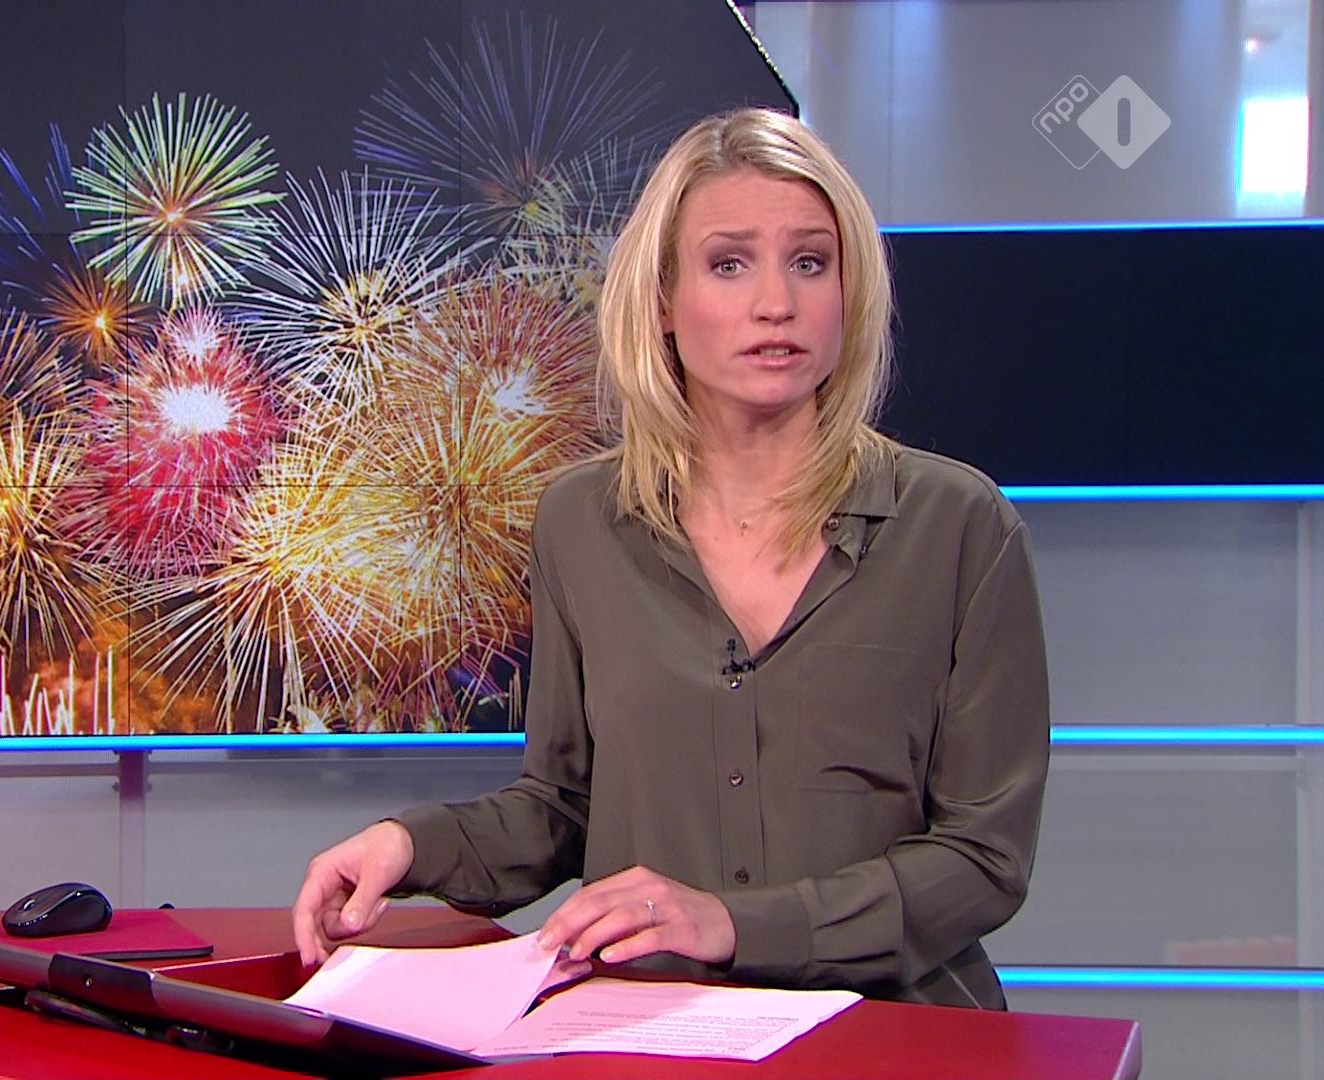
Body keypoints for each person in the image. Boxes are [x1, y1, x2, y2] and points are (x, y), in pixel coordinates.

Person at [290, 106, 1050, 1010]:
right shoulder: (581, 522)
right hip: (655, 1031)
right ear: (661, 299)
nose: (776, 303)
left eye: (811, 262)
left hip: (892, 1038)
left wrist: (736, 925)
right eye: (729, 264)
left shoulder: (959, 527)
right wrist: (409, 845)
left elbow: (983, 859)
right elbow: (566, 804)